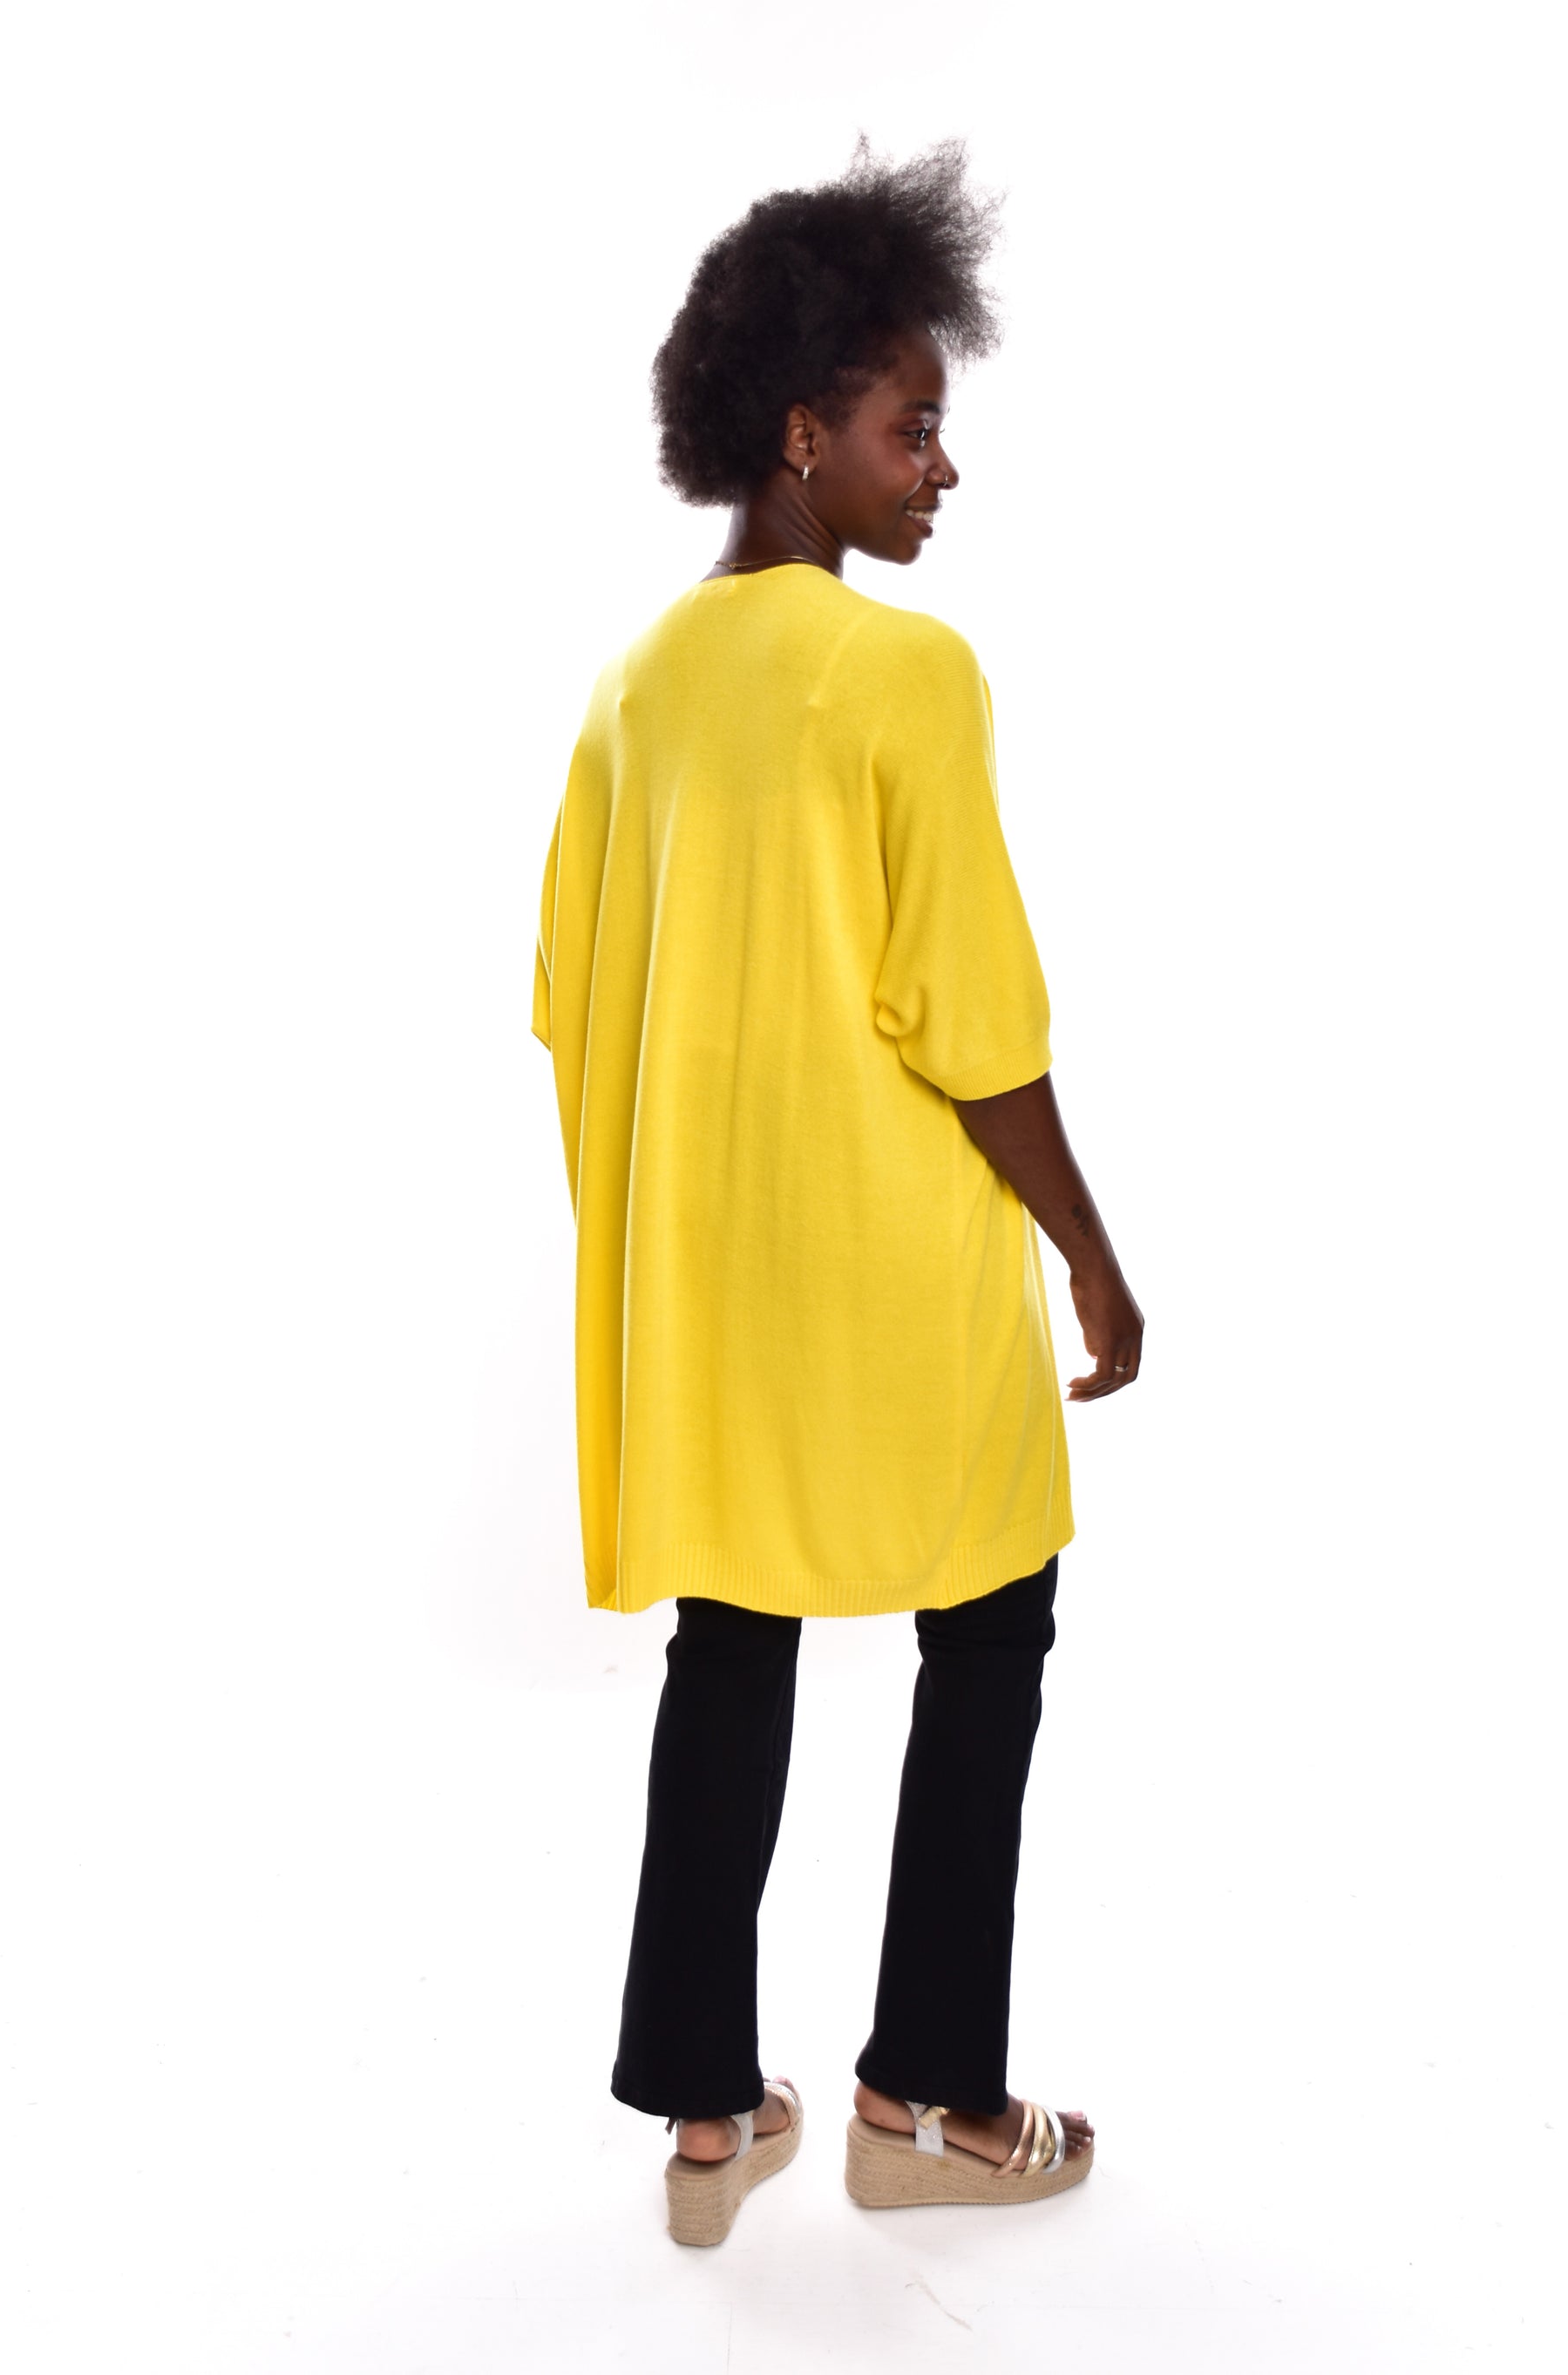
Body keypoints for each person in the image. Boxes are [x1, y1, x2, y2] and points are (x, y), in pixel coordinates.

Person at [530, 138, 1143, 2247]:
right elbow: (973, 1020)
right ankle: (926, 2098)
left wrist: (668, 1240)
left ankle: (709, 2117)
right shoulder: (905, 674)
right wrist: (1091, 1254)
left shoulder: (632, 692)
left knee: (736, 1639)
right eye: (913, 424)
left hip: (716, 1289)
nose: (941, 468)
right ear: (804, 434)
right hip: (896, 1274)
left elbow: (572, 1009)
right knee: (989, 1626)